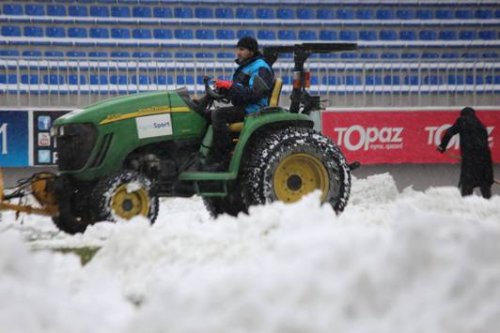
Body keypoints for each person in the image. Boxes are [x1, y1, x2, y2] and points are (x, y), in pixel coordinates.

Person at [197, 36, 274, 171]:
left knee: (218, 115)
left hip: (253, 109)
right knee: (205, 114)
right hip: (243, 105)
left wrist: (230, 87)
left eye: (242, 49)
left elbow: (255, 94)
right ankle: (203, 154)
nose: (238, 53)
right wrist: (223, 87)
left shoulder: (260, 67)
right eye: (238, 49)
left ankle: (224, 158)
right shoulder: (247, 66)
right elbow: (238, 89)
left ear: (251, 51)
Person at [437, 107, 493, 198]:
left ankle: (466, 206)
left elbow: (450, 132)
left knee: (467, 185)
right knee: (485, 187)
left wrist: (442, 146)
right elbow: (483, 144)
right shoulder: (481, 125)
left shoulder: (462, 120)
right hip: (485, 160)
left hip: (469, 158)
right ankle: (490, 206)